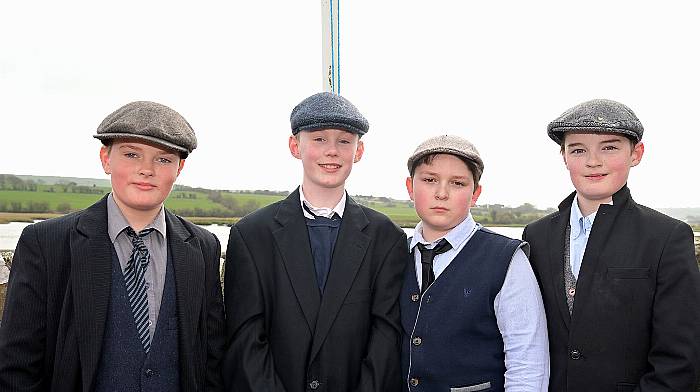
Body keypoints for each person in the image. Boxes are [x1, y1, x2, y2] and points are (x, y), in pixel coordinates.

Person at [0, 101, 225, 391]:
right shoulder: (46, 243)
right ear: (106, 159)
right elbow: (17, 366)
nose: (146, 170)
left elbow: (213, 358)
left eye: (163, 159)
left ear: (179, 168)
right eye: (132, 154)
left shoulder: (203, 247)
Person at [223, 92, 408, 392]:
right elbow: (246, 341)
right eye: (319, 139)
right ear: (295, 146)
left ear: (359, 151)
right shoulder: (252, 234)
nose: (332, 151)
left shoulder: (386, 237)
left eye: (344, 141)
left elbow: (385, 339)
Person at [523, 99, 700, 391]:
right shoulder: (536, 236)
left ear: (636, 153)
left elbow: (680, 360)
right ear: (564, 157)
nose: (594, 161)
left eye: (609, 147)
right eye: (578, 149)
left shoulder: (668, 237)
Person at [400, 135, 549, 391]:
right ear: (410, 187)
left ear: (475, 193)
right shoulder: (394, 254)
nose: (441, 193)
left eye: (457, 183)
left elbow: (527, 361)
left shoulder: (507, 258)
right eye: (429, 180)